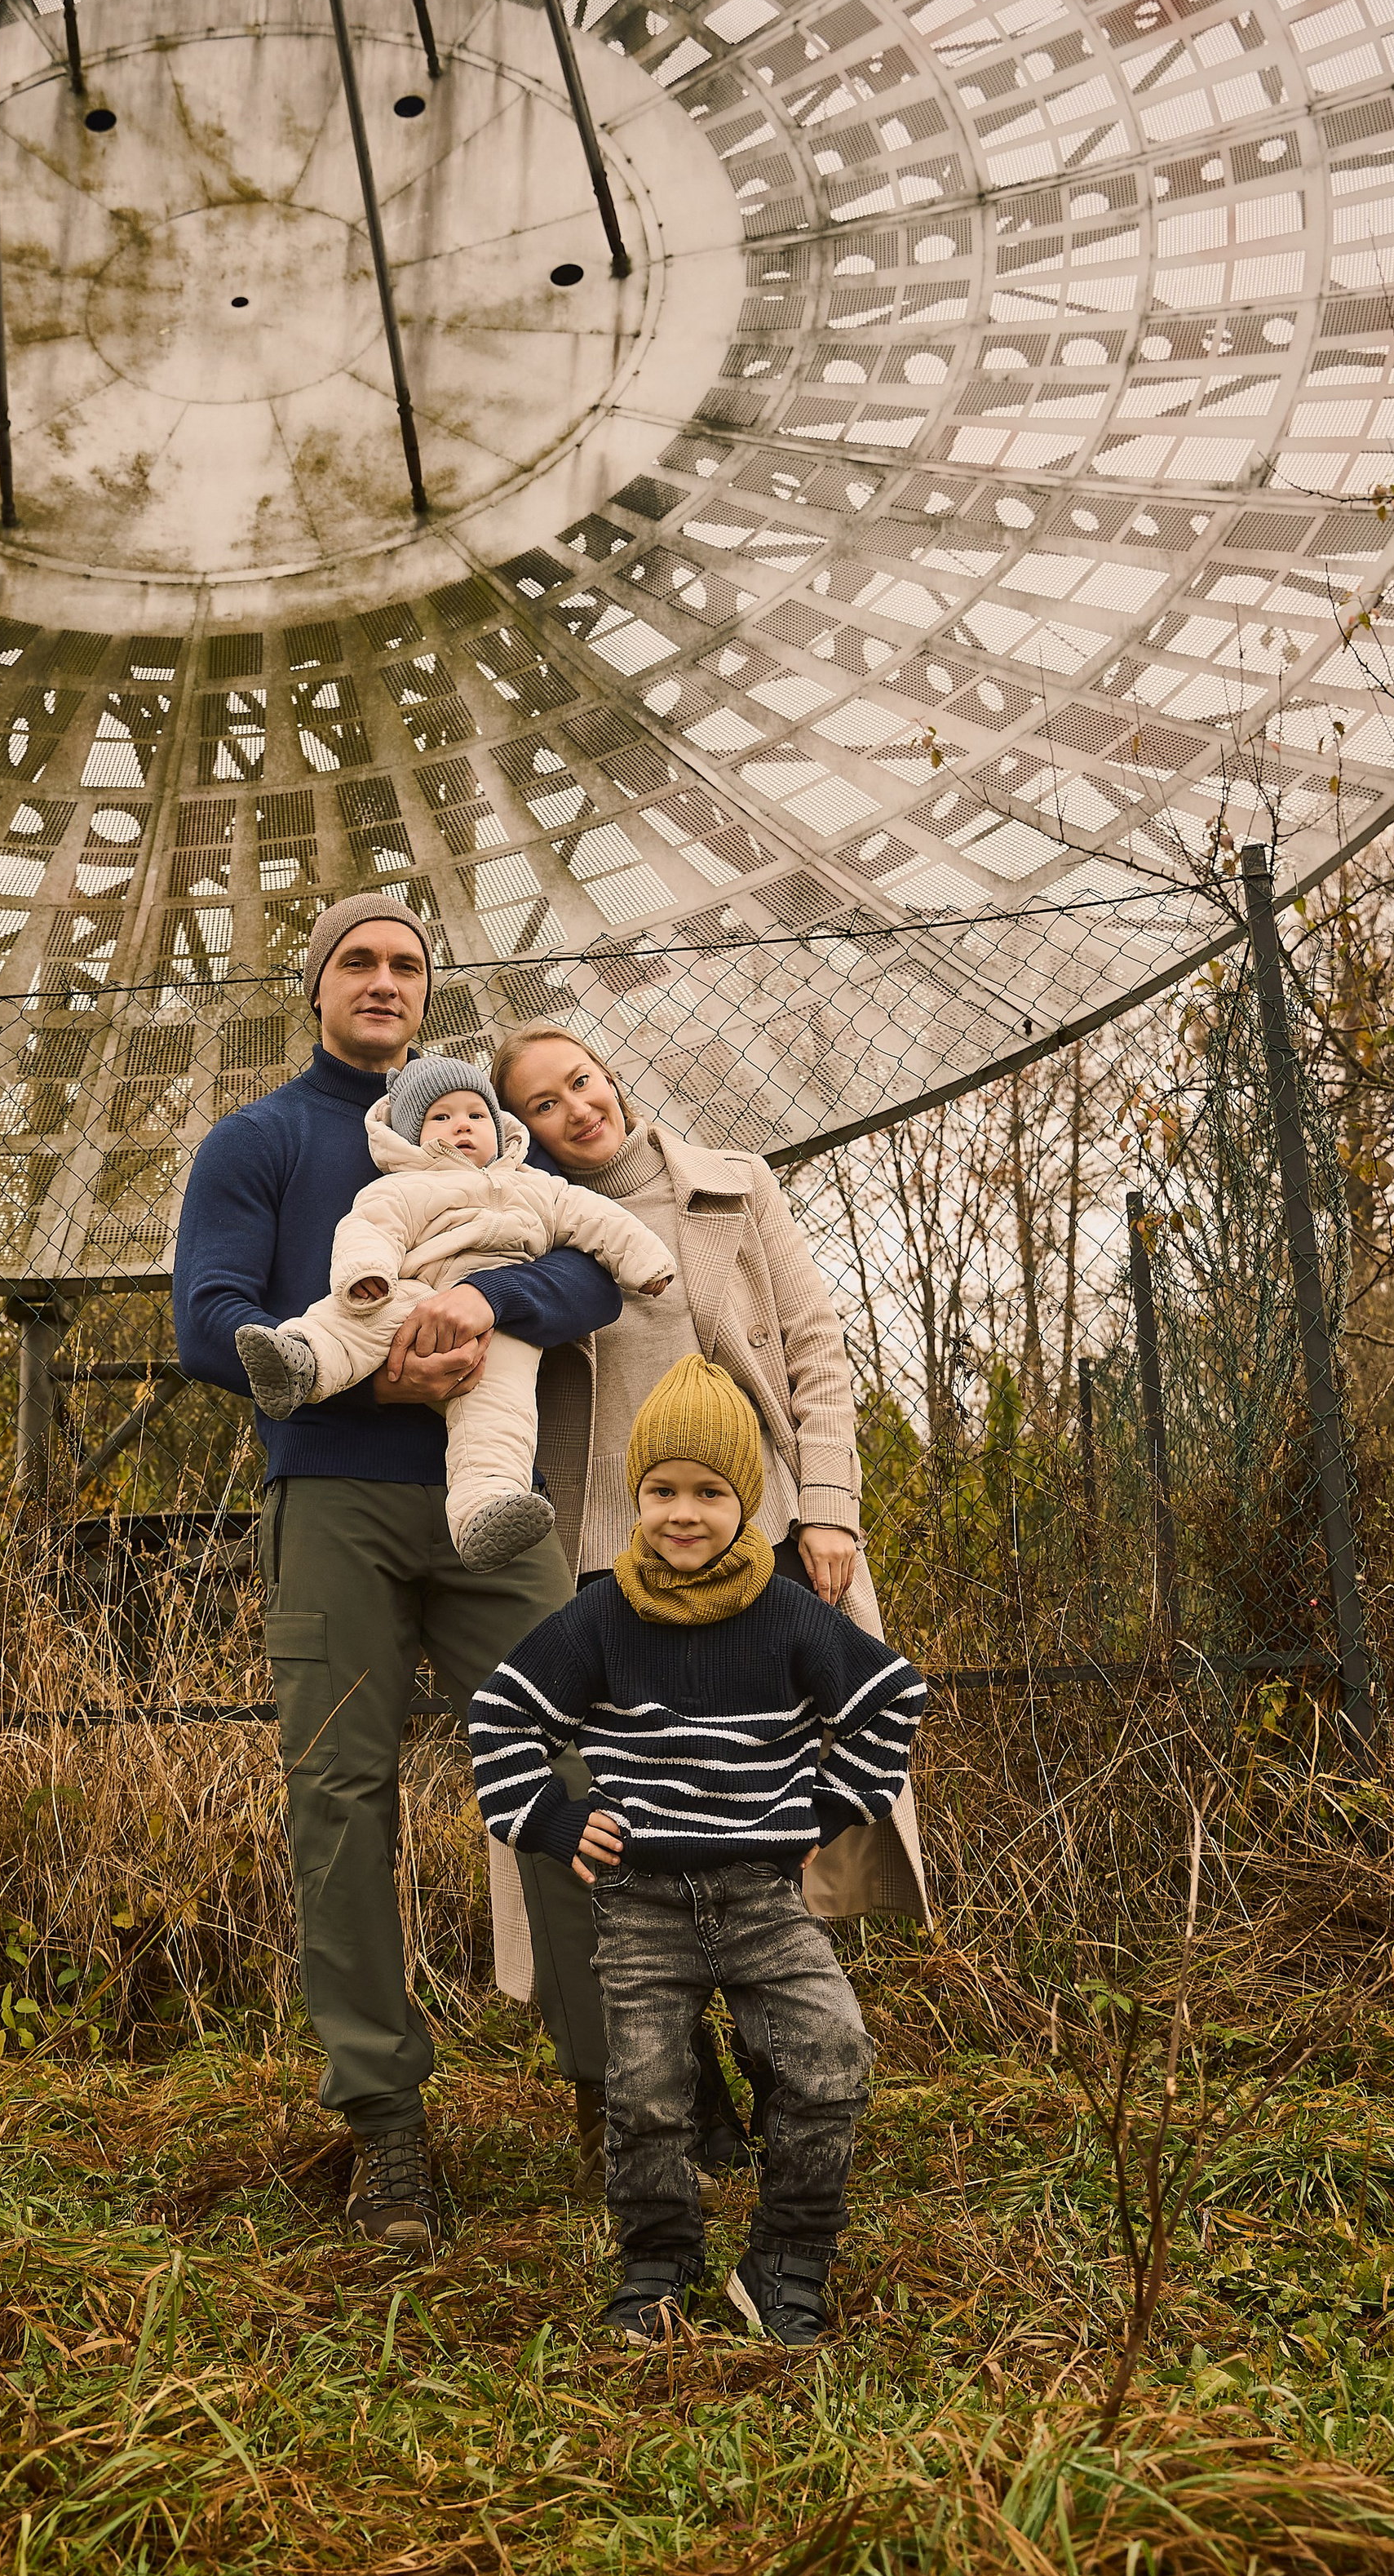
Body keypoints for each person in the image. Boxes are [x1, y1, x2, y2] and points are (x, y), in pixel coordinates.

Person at [171, 901, 624, 2259]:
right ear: (315, 986)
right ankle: (386, 2127)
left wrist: (487, 1306)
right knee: (341, 1801)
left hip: (492, 1502)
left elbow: (587, 1273)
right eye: (358, 963)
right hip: (335, 1499)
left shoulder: (483, 1133)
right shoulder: (259, 1143)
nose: (383, 982)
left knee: (570, 1766)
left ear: (429, 992)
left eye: (406, 966)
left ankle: (621, 2095)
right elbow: (207, 1319)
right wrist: (369, 1372)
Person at [488, 1020, 929, 2188]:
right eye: (541, 1104)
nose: (575, 1109)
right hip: (600, 1555)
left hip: (763, 1531)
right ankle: (679, 2086)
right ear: (519, 1129)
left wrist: (827, 1504)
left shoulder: (733, 1187)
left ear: (612, 1078)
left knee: (764, 1797)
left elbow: (817, 1348)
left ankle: (785, 2055)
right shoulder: (519, 1224)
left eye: (582, 1081)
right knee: (635, 1825)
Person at [469, 1357, 927, 2348]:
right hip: (641, 1900)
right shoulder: (601, 1615)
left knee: (830, 2058)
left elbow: (892, 1699)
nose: (684, 1513)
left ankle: (787, 2260)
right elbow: (500, 1715)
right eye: (663, 1490)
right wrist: (548, 1820)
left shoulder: (788, 1610)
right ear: (635, 1498)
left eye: (710, 1492)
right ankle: (656, 2264)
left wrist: (825, 1809)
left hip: (765, 1896)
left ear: (746, 1500)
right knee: (643, 2093)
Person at [234, 1056, 675, 1573]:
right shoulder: (402, 1186)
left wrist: (647, 1263)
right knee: (348, 1320)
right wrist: (366, 1273)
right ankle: (301, 1361)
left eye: (476, 1115)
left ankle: (488, 1507)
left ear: (499, 1126)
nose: (461, 1126)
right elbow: (370, 1228)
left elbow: (600, 1220)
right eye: (441, 1117)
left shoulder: (539, 1185)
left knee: (500, 1407)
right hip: (412, 1294)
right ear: (412, 1135)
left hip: (499, 1325)